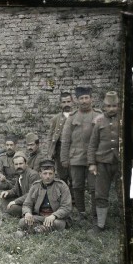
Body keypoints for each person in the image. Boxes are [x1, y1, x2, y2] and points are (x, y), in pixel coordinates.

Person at [61, 86, 103, 222]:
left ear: (91, 99)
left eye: (86, 98)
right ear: (77, 100)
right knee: (77, 186)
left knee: (94, 188)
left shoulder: (98, 115)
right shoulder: (72, 117)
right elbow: (66, 140)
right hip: (76, 159)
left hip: (94, 160)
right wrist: (64, 158)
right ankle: (81, 213)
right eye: (81, 98)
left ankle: (95, 215)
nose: (84, 101)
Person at [87, 91, 120, 233]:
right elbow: (92, 144)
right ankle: (100, 225)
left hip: (120, 164)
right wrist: (92, 163)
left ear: (118, 106)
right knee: (100, 194)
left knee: (124, 194)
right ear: (104, 106)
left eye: (114, 106)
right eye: (108, 106)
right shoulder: (99, 121)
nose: (111, 108)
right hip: (102, 163)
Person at [17, 159, 72, 235]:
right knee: (22, 222)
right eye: (45, 173)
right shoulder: (35, 186)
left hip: (56, 218)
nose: (48, 176)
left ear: (54, 174)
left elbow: (66, 207)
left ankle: (32, 231)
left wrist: (54, 215)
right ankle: (41, 229)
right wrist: (27, 213)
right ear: (40, 174)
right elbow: (27, 204)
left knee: (58, 224)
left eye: (50, 173)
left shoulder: (62, 186)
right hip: (40, 216)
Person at [0, 151, 40, 218]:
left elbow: (31, 194)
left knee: (13, 207)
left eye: (21, 164)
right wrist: (7, 192)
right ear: (13, 165)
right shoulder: (20, 174)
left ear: (26, 163)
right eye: (16, 164)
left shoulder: (33, 175)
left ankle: (10, 213)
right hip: (24, 201)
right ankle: (8, 213)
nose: (19, 166)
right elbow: (15, 190)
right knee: (5, 197)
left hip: (32, 205)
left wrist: (15, 201)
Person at [47, 92, 74, 187]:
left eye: (68, 101)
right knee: (62, 175)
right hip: (59, 149)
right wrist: (50, 152)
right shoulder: (56, 119)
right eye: (64, 102)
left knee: (73, 175)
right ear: (60, 104)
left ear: (72, 102)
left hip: (73, 149)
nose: (66, 104)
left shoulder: (76, 116)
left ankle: (74, 198)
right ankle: (64, 196)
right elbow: (50, 136)